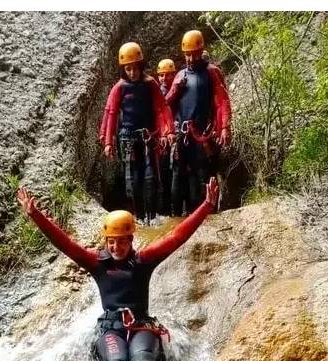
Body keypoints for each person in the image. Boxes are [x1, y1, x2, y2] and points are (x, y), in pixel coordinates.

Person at [16, 178, 220, 361]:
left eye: (122, 241)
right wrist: (36, 216)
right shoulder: (97, 263)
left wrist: (206, 206)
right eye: (111, 241)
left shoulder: (143, 260)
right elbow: (65, 244)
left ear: (131, 240)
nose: (116, 246)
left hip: (141, 326)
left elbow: (177, 236)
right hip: (111, 330)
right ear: (106, 241)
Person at [99, 42, 174, 224]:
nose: (132, 72)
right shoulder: (120, 87)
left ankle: (153, 215)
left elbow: (161, 108)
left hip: (148, 136)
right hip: (128, 138)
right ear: (123, 69)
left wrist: (168, 131)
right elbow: (111, 113)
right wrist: (108, 141)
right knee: (134, 179)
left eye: (135, 68)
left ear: (141, 66)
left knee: (151, 176)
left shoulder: (150, 84)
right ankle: (139, 217)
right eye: (128, 69)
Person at [166, 30, 232, 216]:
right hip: (183, 135)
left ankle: (207, 216)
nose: (191, 58)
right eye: (187, 54)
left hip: (203, 136)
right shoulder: (180, 75)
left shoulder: (212, 72)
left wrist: (225, 127)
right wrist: (175, 90)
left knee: (202, 177)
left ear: (202, 51)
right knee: (177, 179)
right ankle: (176, 219)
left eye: (195, 54)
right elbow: (166, 104)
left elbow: (222, 102)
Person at [156, 58, 177, 215]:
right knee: (163, 174)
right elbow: (162, 105)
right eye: (161, 75)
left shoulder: (179, 89)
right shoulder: (158, 92)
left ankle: (174, 209)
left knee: (176, 173)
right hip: (162, 138)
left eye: (168, 75)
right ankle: (165, 210)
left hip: (177, 135)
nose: (164, 79)